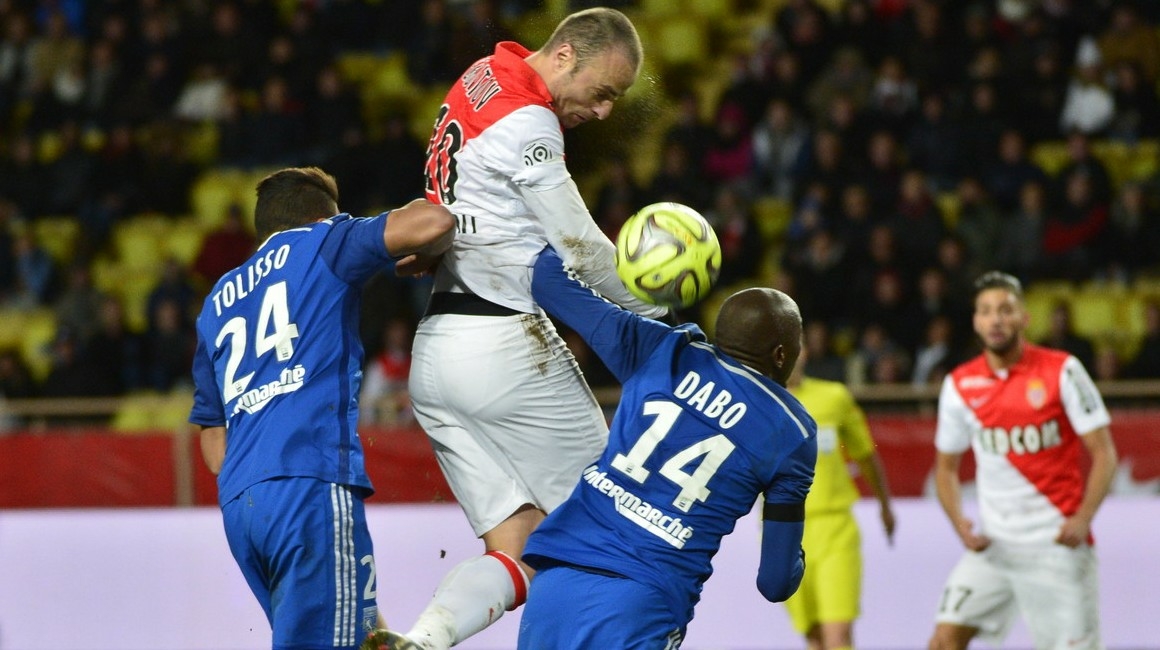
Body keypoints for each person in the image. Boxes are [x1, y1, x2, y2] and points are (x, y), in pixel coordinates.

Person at [366, 8, 667, 650]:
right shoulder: (530, 120)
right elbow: (581, 249)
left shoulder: (481, 76)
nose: (603, 112)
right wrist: (656, 310)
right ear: (564, 56)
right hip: (504, 350)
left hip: (436, 356)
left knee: (519, 547)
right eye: (603, 92)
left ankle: (423, 639)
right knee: (619, 524)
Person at [188, 167, 455, 649]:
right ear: (320, 217)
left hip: (243, 508)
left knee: (350, 633)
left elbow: (211, 436)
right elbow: (434, 221)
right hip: (308, 484)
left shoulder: (217, 301)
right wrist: (425, 254)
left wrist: (263, 478)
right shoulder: (323, 241)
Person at [514, 247, 816, 648]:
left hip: (556, 583)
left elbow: (547, 280)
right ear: (781, 355)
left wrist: (623, 255)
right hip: (640, 603)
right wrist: (798, 562)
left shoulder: (663, 349)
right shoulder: (791, 432)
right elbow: (775, 582)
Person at [928, 271, 1118, 650]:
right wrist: (959, 523)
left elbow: (1105, 453)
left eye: (1005, 310)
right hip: (996, 547)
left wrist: (1083, 518)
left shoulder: (1063, 370)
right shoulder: (959, 385)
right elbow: (945, 469)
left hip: (1057, 547)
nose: (995, 319)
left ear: (1024, 317)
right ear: (975, 321)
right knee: (944, 640)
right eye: (986, 311)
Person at [782, 343, 895, 650]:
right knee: (814, 635)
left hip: (835, 527)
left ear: (805, 352)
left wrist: (885, 506)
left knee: (838, 634)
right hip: (782, 532)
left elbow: (865, 454)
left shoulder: (834, 397)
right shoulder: (756, 403)